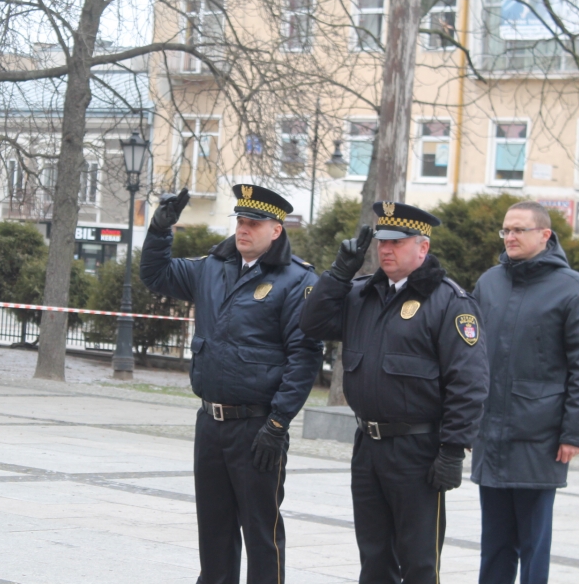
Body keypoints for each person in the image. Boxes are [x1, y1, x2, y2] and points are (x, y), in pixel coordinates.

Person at [140, 184, 323, 584]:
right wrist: (159, 230)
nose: (243, 229)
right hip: (211, 421)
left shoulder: (297, 280)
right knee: (214, 530)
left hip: (258, 426)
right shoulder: (212, 266)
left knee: (261, 531)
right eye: (240, 220)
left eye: (254, 223)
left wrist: (278, 423)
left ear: (276, 230)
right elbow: (156, 274)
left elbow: (304, 357)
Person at [300, 201, 490, 584]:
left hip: (417, 450)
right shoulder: (360, 293)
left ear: (423, 247)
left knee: (418, 561)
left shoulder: (449, 302)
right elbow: (312, 323)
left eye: (397, 242)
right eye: (382, 242)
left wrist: (453, 449)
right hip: (368, 445)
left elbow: (468, 382)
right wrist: (338, 274)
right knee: (374, 558)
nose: (385, 249)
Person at [471, 201, 579, 584]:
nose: (510, 237)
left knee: (534, 543)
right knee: (494, 543)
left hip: (540, 437)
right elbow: (471, 356)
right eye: (506, 230)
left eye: (519, 230)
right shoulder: (489, 283)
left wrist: (574, 433)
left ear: (545, 235)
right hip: (490, 435)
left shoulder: (572, 288)